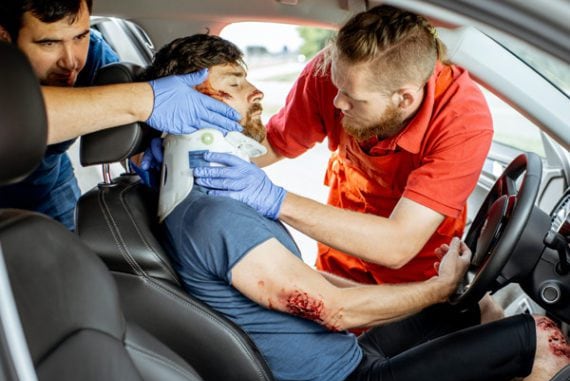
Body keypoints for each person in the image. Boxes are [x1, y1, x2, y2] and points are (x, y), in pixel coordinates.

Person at [150, 33, 569, 381]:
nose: (256, 92)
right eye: (235, 83)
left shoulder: (213, 199)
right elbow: (334, 310)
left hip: (345, 353)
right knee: (535, 336)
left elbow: (318, 286)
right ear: (186, 103)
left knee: (467, 306)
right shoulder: (216, 214)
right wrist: (437, 287)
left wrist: (441, 291)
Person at [191, 5, 502, 347]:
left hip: (417, 262)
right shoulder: (335, 74)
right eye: (337, 87)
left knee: (409, 349)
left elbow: (398, 244)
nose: (337, 102)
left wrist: (274, 199)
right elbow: (275, 143)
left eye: (353, 99)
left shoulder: (462, 120)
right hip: (342, 236)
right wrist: (196, 157)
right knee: (334, 335)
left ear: (404, 98)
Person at [0, 0, 241, 230]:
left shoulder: (94, 55)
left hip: (47, 181)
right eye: (48, 43)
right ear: (4, 36)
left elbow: (129, 132)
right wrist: (144, 99)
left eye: (80, 36)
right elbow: (15, 119)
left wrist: (159, 156)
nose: (71, 61)